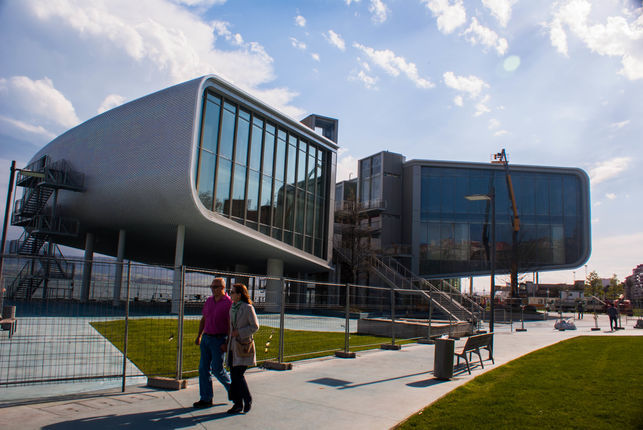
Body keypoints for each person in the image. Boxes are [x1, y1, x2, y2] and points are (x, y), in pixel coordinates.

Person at [193, 278, 232, 409]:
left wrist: (227, 342)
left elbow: (230, 325)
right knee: (203, 369)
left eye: (215, 287)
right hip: (206, 338)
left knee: (217, 369)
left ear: (222, 288)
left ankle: (235, 391)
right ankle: (206, 398)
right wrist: (199, 335)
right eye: (211, 287)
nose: (213, 289)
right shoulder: (209, 301)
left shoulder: (228, 303)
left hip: (219, 339)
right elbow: (204, 318)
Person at [226, 283, 260, 414]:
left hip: (243, 346)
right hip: (232, 346)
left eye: (233, 292)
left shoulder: (247, 308)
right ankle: (238, 403)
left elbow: (255, 326)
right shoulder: (232, 308)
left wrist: (239, 332)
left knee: (238, 375)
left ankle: (247, 399)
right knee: (234, 376)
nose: (231, 294)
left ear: (239, 295)